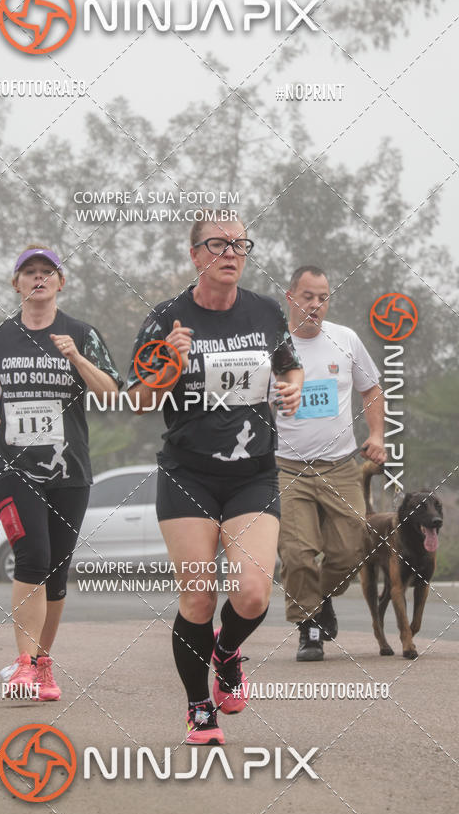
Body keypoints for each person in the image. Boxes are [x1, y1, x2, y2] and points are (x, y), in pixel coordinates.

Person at [127, 213, 303, 744]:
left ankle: (226, 653)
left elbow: (288, 366)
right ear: (195, 255)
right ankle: (198, 706)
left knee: (252, 593)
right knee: (199, 598)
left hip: (252, 473)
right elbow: (137, 400)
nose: (231, 252)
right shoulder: (166, 319)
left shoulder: (266, 311)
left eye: (240, 244)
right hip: (189, 475)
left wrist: (290, 388)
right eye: (218, 244)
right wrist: (168, 365)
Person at [0, 246, 121, 701]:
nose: (38, 279)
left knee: (56, 570)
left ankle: (43, 663)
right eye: (28, 272)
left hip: (69, 469)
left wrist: (76, 358)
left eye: (46, 272)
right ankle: (25, 667)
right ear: (15, 284)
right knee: (31, 556)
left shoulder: (80, 334)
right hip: (12, 465)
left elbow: (111, 392)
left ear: (60, 282)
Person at [275, 265, 386, 662]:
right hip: (288, 469)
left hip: (340, 466)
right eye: (308, 296)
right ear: (291, 297)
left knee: (352, 548)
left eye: (323, 298)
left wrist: (376, 436)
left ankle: (317, 600)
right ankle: (310, 628)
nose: (316, 305)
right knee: (297, 554)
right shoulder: (274, 345)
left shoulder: (346, 340)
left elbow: (371, 388)